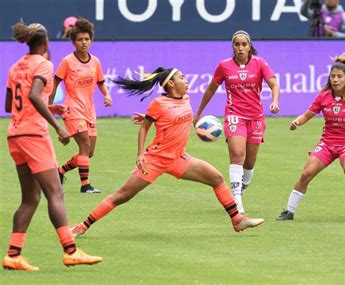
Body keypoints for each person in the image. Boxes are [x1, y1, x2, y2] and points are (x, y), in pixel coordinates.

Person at [69, 67, 264, 238]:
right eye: (181, 77)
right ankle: (81, 227)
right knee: (122, 196)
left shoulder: (186, 98)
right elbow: (145, 127)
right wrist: (140, 154)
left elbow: (174, 123)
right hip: (154, 160)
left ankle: (237, 220)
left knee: (217, 178)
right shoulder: (158, 104)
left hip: (179, 158)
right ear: (170, 83)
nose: (186, 80)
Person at [2, 20, 102, 271]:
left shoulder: (16, 66)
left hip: (15, 135)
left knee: (30, 199)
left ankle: (13, 255)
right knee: (55, 194)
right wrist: (57, 126)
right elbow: (35, 95)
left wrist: (50, 108)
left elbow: (8, 106)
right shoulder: (44, 64)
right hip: (34, 136)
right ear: (45, 43)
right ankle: (71, 251)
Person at [276, 54, 345, 221]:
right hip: (327, 144)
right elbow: (307, 115)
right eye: (333, 76)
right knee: (306, 174)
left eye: (339, 76)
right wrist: (297, 122)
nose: (335, 80)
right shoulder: (323, 96)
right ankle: (289, 211)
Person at [193, 30, 280, 214]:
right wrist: (199, 113)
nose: (240, 48)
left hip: (256, 117)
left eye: (244, 44)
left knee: (249, 162)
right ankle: (237, 202)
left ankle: (241, 188)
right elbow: (210, 89)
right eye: (237, 44)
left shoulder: (260, 63)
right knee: (237, 156)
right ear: (232, 46)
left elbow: (274, 83)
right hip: (234, 115)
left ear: (249, 47)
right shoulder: (224, 66)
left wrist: (274, 101)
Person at [49, 18, 113, 194]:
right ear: (73, 42)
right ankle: (85, 185)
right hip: (73, 109)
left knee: (89, 153)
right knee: (84, 147)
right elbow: (55, 83)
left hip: (89, 110)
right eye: (80, 39)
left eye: (87, 39)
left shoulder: (95, 62)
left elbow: (100, 82)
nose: (84, 42)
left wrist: (107, 94)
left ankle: (60, 171)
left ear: (91, 39)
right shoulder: (67, 61)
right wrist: (49, 105)